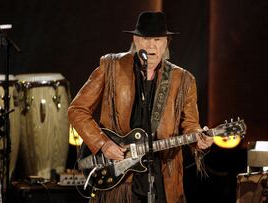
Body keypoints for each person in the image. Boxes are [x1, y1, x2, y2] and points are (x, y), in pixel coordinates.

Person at [68, 11, 214, 203]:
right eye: (145, 38)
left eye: (157, 39)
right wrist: (103, 144)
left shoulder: (184, 80)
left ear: (166, 42)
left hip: (163, 179)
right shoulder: (111, 67)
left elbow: (191, 125)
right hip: (118, 178)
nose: (151, 45)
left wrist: (199, 140)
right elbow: (77, 109)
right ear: (135, 39)